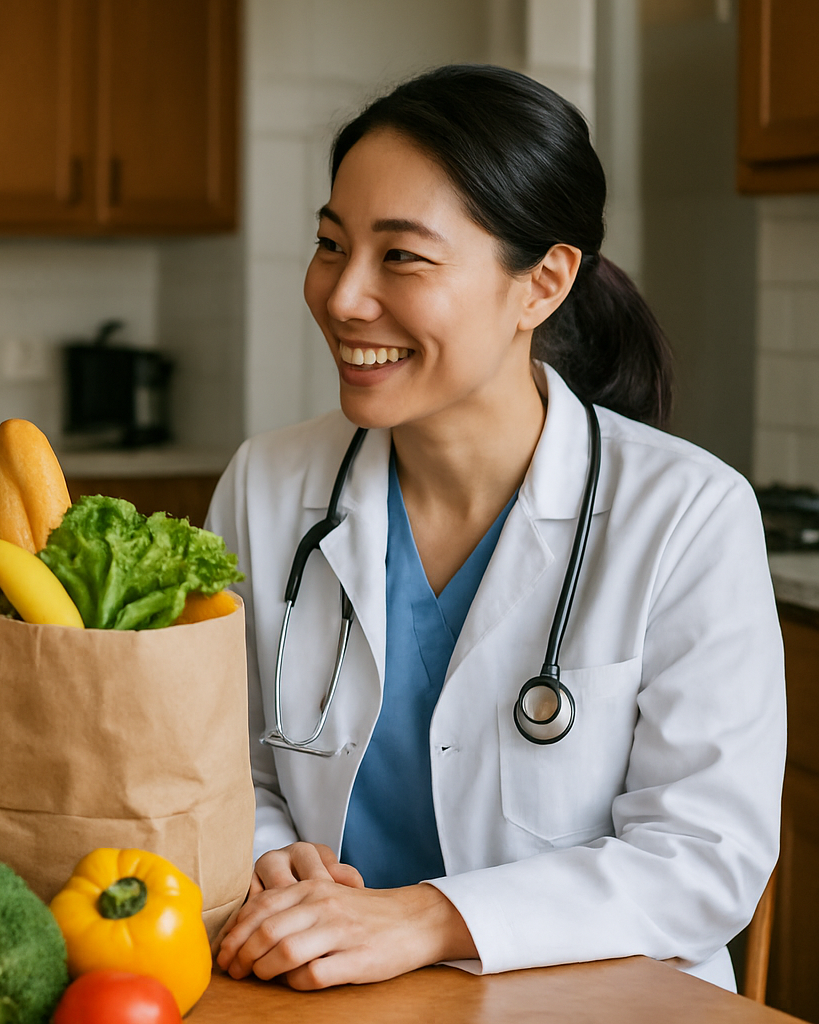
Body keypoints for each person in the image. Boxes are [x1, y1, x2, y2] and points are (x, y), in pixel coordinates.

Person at [208, 64, 783, 991]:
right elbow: (227, 769)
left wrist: (428, 919)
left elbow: (704, 859)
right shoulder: (268, 485)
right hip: (328, 997)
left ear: (542, 285)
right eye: (330, 244)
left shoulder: (686, 516)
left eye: (401, 256)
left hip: (597, 1001)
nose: (344, 296)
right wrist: (276, 858)